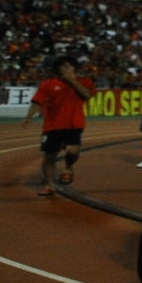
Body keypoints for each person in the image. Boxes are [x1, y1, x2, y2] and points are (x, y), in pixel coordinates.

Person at [24, 53, 94, 196]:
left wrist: (73, 81)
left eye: (69, 65)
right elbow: (37, 101)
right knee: (50, 156)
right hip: (52, 126)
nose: (66, 68)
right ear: (57, 69)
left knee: (72, 151)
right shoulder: (48, 84)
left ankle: (68, 167)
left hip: (74, 124)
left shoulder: (85, 81)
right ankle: (49, 185)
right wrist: (28, 117)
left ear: (75, 68)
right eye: (63, 66)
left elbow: (87, 95)